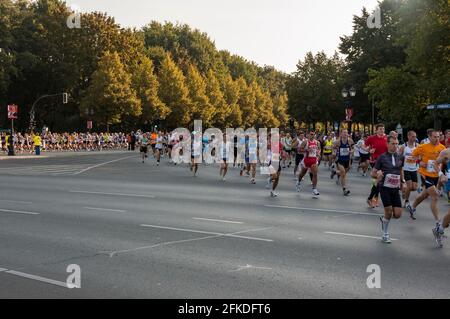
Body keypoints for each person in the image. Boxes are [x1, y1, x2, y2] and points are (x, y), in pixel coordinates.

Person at [407, 130, 446, 247]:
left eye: (438, 137)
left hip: (436, 176)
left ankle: (412, 207)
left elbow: (444, 161)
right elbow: (411, 156)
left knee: (424, 195)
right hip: (425, 175)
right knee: (435, 197)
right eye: (434, 137)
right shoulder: (423, 147)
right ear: (429, 137)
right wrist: (420, 162)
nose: (437, 139)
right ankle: (438, 223)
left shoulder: (442, 147)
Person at [372, 135, 406, 243]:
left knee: (397, 214)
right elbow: (373, 172)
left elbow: (401, 170)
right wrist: (377, 175)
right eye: (392, 143)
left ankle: (384, 220)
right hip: (384, 187)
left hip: (395, 188)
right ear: (387, 144)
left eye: (396, 144)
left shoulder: (400, 157)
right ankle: (385, 234)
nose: (395, 146)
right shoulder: (382, 157)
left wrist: (403, 182)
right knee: (389, 210)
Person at [365, 124, 388, 208]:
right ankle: (372, 198)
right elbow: (364, 146)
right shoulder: (372, 138)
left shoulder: (387, 138)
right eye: (380, 129)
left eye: (383, 129)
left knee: (378, 181)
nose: (382, 131)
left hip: (385, 162)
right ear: (376, 130)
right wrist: (369, 150)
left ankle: (372, 198)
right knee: (379, 178)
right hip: (375, 161)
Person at [296, 130, 321, 198]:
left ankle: (314, 189)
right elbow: (299, 150)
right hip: (306, 160)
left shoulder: (317, 142)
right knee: (302, 174)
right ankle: (298, 182)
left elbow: (319, 150)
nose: (312, 135)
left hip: (314, 160)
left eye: (313, 134)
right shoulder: (305, 142)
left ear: (315, 135)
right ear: (308, 135)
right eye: (311, 134)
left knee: (315, 174)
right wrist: (306, 150)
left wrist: (318, 156)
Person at [398, 131, 419, 209]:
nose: (415, 138)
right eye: (413, 136)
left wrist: (418, 159)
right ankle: (406, 201)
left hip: (414, 169)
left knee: (415, 187)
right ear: (408, 136)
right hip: (406, 169)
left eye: (415, 136)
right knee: (409, 186)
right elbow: (398, 158)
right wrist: (399, 167)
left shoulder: (417, 146)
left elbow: (421, 156)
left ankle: (405, 191)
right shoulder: (404, 147)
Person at [331, 129, 354, 196]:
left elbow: (353, 148)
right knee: (343, 174)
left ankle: (335, 172)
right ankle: (344, 189)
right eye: (343, 132)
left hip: (347, 160)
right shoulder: (338, 141)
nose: (345, 134)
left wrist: (352, 151)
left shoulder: (350, 141)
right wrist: (334, 152)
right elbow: (333, 147)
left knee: (343, 173)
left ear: (348, 134)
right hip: (340, 160)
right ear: (341, 134)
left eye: (346, 133)